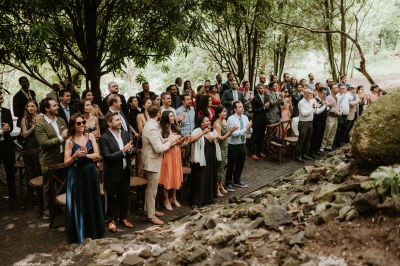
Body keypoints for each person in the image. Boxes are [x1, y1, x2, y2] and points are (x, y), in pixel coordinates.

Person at [64, 113, 104, 243]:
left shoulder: (90, 136)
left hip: (90, 174)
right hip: (76, 175)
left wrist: (86, 156)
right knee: (79, 203)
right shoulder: (69, 141)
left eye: (83, 123)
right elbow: (66, 163)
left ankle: (94, 230)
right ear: (73, 126)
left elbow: (97, 155)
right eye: (79, 123)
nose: (82, 125)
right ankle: (80, 233)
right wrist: (75, 156)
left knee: (91, 200)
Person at [142, 104, 182, 225]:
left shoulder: (152, 125)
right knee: (151, 191)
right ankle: (150, 215)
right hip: (152, 161)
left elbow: (158, 141)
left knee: (150, 189)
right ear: (159, 113)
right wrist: (170, 143)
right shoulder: (152, 128)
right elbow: (159, 148)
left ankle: (150, 210)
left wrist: (170, 140)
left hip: (152, 160)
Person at [99, 112, 135, 232]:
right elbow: (107, 156)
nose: (120, 122)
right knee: (111, 197)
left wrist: (130, 150)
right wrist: (123, 151)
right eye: (117, 120)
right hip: (111, 173)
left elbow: (133, 148)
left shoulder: (125, 134)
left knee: (124, 195)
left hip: (125, 171)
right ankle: (111, 220)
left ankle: (123, 217)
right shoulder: (104, 137)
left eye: (120, 120)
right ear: (109, 123)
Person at [35, 98, 68, 219]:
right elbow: (43, 143)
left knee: (63, 182)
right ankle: (47, 209)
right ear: (47, 109)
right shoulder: (40, 124)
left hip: (63, 157)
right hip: (49, 160)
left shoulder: (61, 120)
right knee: (48, 185)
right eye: (55, 105)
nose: (58, 107)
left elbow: (68, 135)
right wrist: (61, 138)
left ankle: (62, 205)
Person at [190, 115, 219, 207]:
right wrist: (203, 133)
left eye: (209, 121)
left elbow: (216, 136)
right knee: (201, 178)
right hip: (201, 158)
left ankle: (208, 198)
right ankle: (197, 200)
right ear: (201, 123)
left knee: (209, 176)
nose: (209, 122)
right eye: (207, 121)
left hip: (210, 157)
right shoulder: (197, 131)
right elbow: (192, 140)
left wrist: (213, 136)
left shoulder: (210, 130)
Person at [159, 111, 184, 211]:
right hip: (168, 155)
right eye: (171, 116)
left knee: (175, 176)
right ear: (166, 118)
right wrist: (174, 142)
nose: (173, 117)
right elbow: (162, 145)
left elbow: (179, 143)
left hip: (177, 154)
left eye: (173, 116)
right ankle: (166, 200)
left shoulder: (175, 128)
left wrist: (181, 141)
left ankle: (174, 198)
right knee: (167, 177)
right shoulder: (161, 130)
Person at [225, 101, 252, 192]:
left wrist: (250, 129)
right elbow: (234, 134)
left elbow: (248, 130)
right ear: (235, 109)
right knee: (231, 164)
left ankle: (237, 180)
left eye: (242, 106)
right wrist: (246, 128)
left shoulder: (245, 117)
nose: (242, 108)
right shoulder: (231, 119)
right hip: (233, 145)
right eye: (240, 107)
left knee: (241, 163)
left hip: (243, 143)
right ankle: (228, 182)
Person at [295, 89, 327, 163]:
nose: (311, 95)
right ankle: (297, 155)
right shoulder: (301, 102)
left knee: (308, 140)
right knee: (301, 140)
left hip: (310, 122)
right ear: (305, 94)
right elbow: (304, 114)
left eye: (312, 94)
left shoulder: (313, 101)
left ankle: (304, 154)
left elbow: (317, 112)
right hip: (303, 123)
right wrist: (313, 108)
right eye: (309, 94)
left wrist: (324, 106)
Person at [213, 106, 237, 197]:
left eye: (226, 111)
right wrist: (230, 132)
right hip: (220, 147)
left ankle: (220, 184)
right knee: (219, 168)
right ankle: (216, 188)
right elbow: (220, 138)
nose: (225, 113)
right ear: (219, 113)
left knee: (223, 167)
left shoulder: (224, 121)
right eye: (223, 112)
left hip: (226, 146)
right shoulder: (217, 124)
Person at [0, 92, 17, 200]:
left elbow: (10, 126)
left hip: (7, 145)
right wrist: (2, 130)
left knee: (10, 170)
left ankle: (13, 195)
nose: (1, 100)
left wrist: (8, 128)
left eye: (1, 98)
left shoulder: (6, 111)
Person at [249, 84, 268, 160]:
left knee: (261, 137)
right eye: (260, 88)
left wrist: (267, 107)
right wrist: (264, 107)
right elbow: (254, 111)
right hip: (257, 120)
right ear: (257, 89)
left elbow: (267, 110)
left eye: (263, 88)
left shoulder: (265, 97)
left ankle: (259, 152)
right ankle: (252, 153)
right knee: (255, 137)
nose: (262, 89)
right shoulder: (255, 99)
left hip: (264, 120)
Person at [321, 85, 341, 152]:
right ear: (331, 90)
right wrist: (336, 112)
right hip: (330, 116)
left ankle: (329, 146)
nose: (337, 89)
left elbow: (339, 106)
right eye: (335, 88)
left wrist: (340, 112)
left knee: (333, 132)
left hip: (336, 117)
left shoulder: (338, 97)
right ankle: (322, 147)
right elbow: (329, 107)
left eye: (337, 88)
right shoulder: (328, 97)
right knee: (327, 132)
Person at [309, 88, 328, 156]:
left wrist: (327, 107)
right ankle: (311, 151)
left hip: (323, 120)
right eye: (323, 94)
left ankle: (317, 149)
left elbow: (326, 109)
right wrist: (325, 105)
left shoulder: (324, 100)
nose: (325, 95)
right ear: (319, 93)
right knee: (315, 136)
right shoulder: (315, 100)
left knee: (321, 135)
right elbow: (317, 112)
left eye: (325, 94)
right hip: (317, 121)